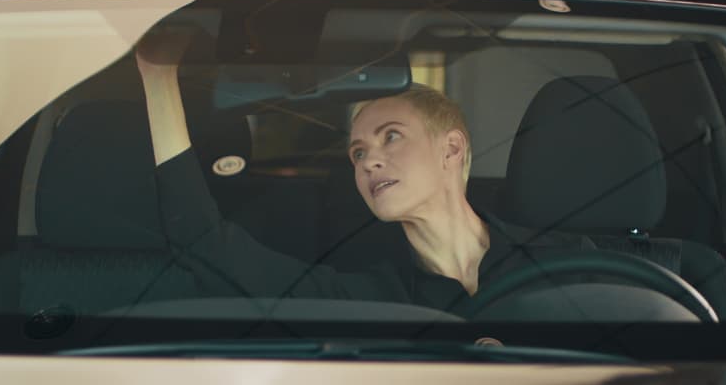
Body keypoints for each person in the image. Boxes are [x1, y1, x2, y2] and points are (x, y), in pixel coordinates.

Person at [133, 30, 594, 311]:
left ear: (450, 148)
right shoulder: (365, 298)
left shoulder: (573, 263)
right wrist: (158, 76)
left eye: (391, 136)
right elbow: (204, 246)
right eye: (357, 153)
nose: (369, 160)